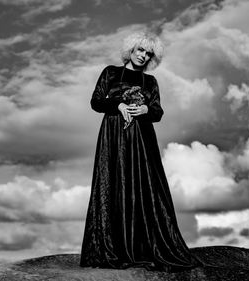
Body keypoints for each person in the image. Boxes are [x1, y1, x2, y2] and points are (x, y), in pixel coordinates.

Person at [80, 32, 202, 273]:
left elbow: (158, 112)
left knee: (145, 188)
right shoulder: (110, 73)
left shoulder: (151, 82)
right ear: (131, 49)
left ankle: (143, 248)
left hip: (143, 140)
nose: (143, 55)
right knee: (113, 185)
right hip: (113, 136)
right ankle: (114, 248)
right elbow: (95, 102)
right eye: (140, 50)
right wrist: (118, 105)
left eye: (148, 53)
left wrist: (146, 107)